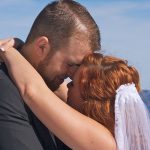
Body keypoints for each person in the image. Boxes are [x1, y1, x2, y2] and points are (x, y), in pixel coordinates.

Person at [1, 45, 150, 150]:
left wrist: (9, 50)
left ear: (90, 100)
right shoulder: (114, 135)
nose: (66, 87)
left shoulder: (104, 142)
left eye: (72, 83)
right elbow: (52, 90)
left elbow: (33, 91)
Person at [0, 0, 100, 149]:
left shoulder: (52, 94)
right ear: (42, 47)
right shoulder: (5, 90)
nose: (73, 75)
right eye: (71, 64)